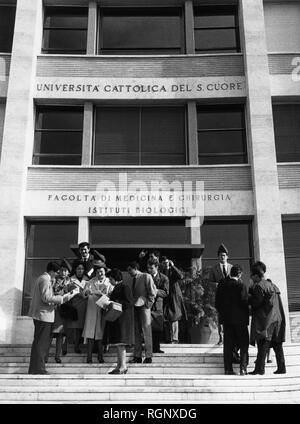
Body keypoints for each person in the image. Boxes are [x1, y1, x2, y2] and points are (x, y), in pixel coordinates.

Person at [28, 262, 78, 375]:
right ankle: (38, 369)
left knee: (39, 343)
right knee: (41, 344)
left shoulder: (41, 278)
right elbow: (46, 298)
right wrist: (63, 298)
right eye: (56, 272)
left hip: (42, 315)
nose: (57, 275)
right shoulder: (45, 279)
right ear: (52, 271)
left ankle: (36, 368)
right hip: (43, 315)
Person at [248, 262, 286, 375]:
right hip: (277, 319)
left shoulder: (259, 286)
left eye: (251, 275)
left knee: (262, 344)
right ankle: (281, 368)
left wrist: (249, 294)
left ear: (256, 275)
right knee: (277, 345)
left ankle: (259, 369)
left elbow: (256, 303)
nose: (250, 277)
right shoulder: (274, 285)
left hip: (266, 320)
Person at [215, 264, 249, 376]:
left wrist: (222, 315)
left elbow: (217, 303)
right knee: (243, 344)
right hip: (240, 320)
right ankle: (243, 369)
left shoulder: (222, 284)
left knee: (228, 345)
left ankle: (228, 369)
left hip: (227, 320)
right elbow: (244, 302)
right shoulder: (241, 285)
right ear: (239, 274)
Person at [82, 260, 113, 363]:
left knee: (101, 334)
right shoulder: (90, 282)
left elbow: (112, 294)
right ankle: (89, 357)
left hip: (102, 309)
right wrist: (87, 292)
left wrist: (104, 295)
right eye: (98, 272)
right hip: (91, 310)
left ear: (105, 272)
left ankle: (100, 356)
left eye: (102, 271)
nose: (100, 274)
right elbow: (83, 294)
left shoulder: (109, 282)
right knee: (90, 334)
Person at [127, 261, 157, 364]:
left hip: (144, 307)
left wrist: (148, 304)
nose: (129, 272)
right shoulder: (131, 280)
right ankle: (137, 356)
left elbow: (153, 292)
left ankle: (148, 356)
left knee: (146, 331)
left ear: (135, 268)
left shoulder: (146, 276)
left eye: (130, 270)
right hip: (134, 308)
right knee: (136, 332)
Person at [106, 269, 134, 375]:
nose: (110, 281)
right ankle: (119, 365)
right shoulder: (117, 288)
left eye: (111, 279)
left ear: (115, 279)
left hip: (123, 320)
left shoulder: (124, 287)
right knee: (118, 344)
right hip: (117, 318)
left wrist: (115, 302)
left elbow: (129, 302)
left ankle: (123, 366)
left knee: (121, 343)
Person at [50, 260, 73, 363]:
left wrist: (70, 291)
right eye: (62, 270)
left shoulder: (71, 281)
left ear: (68, 272)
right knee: (52, 333)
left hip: (65, 309)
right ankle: (47, 356)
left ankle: (58, 355)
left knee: (62, 333)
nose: (63, 273)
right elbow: (51, 293)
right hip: (55, 309)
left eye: (65, 271)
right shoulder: (54, 280)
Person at [209, 243, 233, 346]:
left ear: (227, 256)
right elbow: (210, 283)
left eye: (224, 255)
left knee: (231, 318)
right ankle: (221, 338)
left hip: (231, 297)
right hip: (220, 297)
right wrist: (218, 285)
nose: (222, 257)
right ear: (218, 257)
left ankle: (231, 337)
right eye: (220, 255)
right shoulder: (214, 269)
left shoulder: (232, 268)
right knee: (221, 318)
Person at [160, 256, 187, 344]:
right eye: (164, 263)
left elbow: (181, 276)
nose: (165, 264)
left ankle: (175, 338)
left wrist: (173, 266)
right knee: (166, 317)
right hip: (165, 295)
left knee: (175, 316)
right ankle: (168, 338)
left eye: (167, 262)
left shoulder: (173, 270)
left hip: (174, 295)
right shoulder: (161, 272)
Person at [147, 258, 169, 354]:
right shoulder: (146, 277)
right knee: (148, 328)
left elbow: (166, 292)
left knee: (157, 328)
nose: (149, 270)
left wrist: (156, 291)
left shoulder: (164, 278)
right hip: (147, 305)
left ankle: (156, 347)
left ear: (156, 267)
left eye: (151, 268)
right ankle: (149, 348)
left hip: (157, 306)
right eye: (148, 268)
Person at [68, 262, 89, 353]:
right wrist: (80, 293)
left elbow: (89, 291)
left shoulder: (87, 279)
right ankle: (75, 346)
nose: (80, 270)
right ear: (75, 270)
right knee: (75, 327)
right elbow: (69, 291)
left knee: (83, 327)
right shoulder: (70, 279)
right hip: (75, 305)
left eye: (82, 269)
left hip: (85, 305)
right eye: (78, 269)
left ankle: (83, 345)